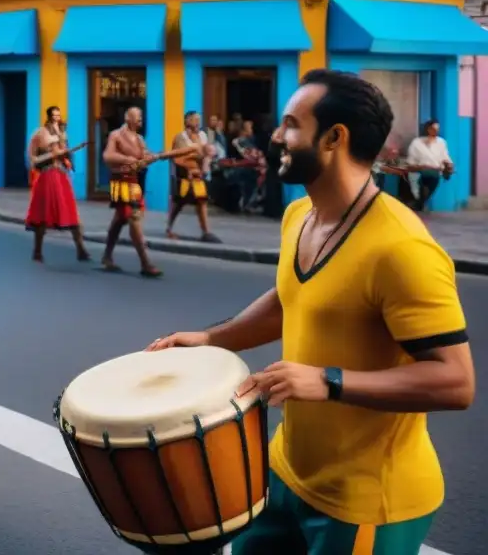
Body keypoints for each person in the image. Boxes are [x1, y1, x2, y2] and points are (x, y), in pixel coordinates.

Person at [149, 70, 474, 555]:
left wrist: (328, 381)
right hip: (284, 472)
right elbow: (293, 298)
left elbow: (455, 382)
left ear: (334, 138)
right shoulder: (298, 215)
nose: (276, 135)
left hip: (363, 502)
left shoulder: (401, 249)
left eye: (290, 124)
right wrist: (212, 339)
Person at [100, 107, 163, 277]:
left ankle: (106, 256)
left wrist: (151, 157)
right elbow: (107, 156)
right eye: (138, 116)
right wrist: (127, 159)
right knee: (132, 218)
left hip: (134, 182)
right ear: (128, 118)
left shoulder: (140, 139)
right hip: (120, 182)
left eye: (141, 116)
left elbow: (143, 157)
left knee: (120, 220)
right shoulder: (116, 135)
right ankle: (145, 262)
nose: (141, 119)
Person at [24, 106, 90, 262]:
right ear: (49, 116)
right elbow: (33, 159)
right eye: (54, 115)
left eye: (59, 115)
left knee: (72, 213)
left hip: (61, 176)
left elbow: (65, 153)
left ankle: (81, 249)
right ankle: (37, 251)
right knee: (42, 215)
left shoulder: (62, 134)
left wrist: (66, 156)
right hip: (47, 176)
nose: (57, 118)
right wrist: (50, 155)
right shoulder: (40, 133)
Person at [166, 111, 221, 242]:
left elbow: (207, 153)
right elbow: (177, 158)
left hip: (198, 176)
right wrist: (191, 162)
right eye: (194, 119)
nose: (198, 122)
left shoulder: (202, 136)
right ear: (187, 121)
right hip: (184, 176)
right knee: (179, 203)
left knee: (201, 201)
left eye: (199, 119)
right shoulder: (180, 137)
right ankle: (169, 227)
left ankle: (206, 231)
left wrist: (204, 162)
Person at [405, 119, 453, 211]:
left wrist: (449, 166)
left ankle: (419, 202)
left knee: (431, 184)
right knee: (419, 189)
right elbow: (411, 162)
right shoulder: (417, 143)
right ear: (427, 129)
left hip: (435, 172)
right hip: (419, 172)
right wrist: (420, 167)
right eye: (433, 128)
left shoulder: (441, 142)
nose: (436, 130)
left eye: (437, 128)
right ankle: (418, 201)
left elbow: (445, 157)